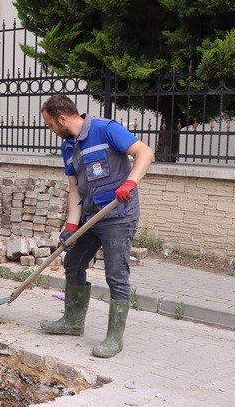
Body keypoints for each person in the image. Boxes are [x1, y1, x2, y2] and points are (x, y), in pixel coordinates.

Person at [40, 94, 154, 357]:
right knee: (73, 263)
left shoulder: (106, 129)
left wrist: (130, 182)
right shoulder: (68, 147)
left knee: (116, 275)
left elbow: (144, 152)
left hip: (118, 216)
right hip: (89, 217)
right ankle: (72, 321)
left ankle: (115, 338)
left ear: (61, 118)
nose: (51, 130)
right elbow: (74, 190)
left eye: (50, 125)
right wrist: (70, 226)